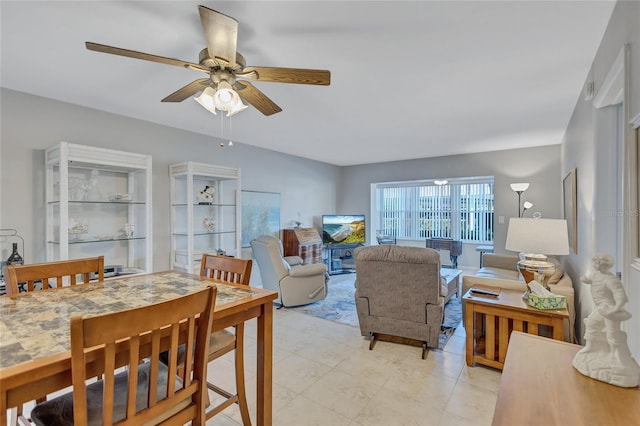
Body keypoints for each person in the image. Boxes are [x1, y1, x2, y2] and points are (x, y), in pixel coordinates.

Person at [573, 253, 639, 387]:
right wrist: (585, 279)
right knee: (591, 324)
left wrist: (616, 308)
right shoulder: (596, 275)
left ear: (604, 264)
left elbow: (621, 296)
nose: (595, 265)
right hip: (600, 309)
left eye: (597, 263)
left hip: (609, 310)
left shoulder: (610, 280)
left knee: (612, 334)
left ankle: (618, 358)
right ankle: (590, 349)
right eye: (595, 263)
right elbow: (589, 278)